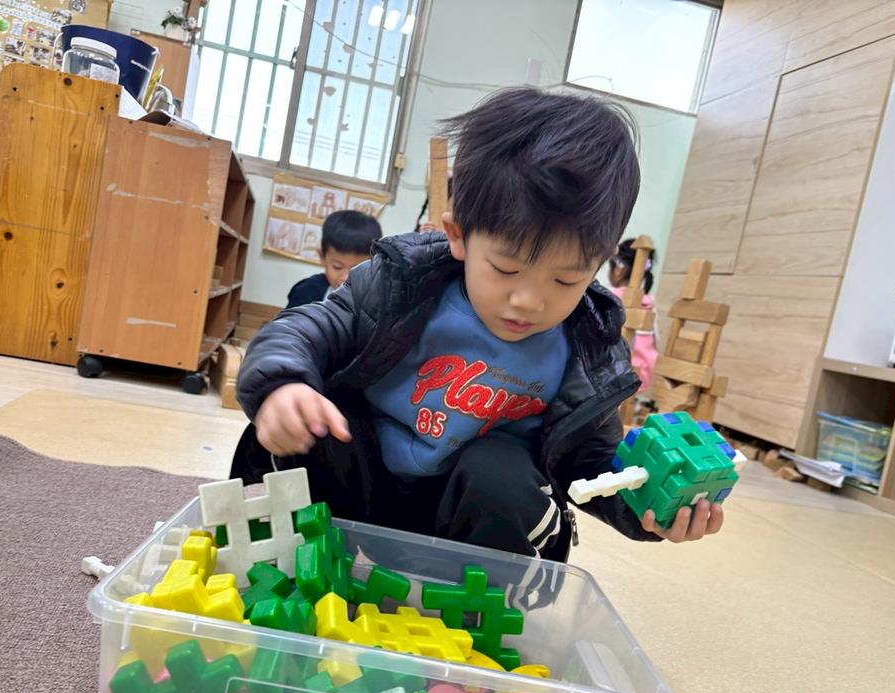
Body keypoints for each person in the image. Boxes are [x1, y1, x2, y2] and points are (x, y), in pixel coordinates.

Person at [231, 88, 724, 566]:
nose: (528, 300)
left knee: (499, 468)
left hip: (472, 534)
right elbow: (303, 329)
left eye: (566, 279)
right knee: (316, 416)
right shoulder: (400, 284)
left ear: (598, 263)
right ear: (459, 235)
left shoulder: (586, 348)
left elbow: (592, 467)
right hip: (359, 493)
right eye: (506, 269)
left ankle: (477, 604)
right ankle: (289, 561)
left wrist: (648, 505)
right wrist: (283, 384)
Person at [286, 210, 382, 309]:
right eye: (337, 267)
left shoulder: (380, 299)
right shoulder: (306, 290)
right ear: (322, 257)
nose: (346, 278)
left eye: (358, 269)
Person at [608, 238, 658, 391]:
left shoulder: (611, 298)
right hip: (643, 377)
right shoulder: (649, 303)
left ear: (618, 269)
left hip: (615, 376)